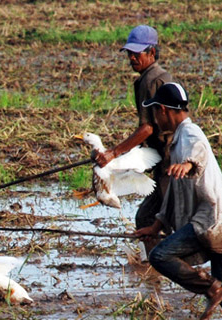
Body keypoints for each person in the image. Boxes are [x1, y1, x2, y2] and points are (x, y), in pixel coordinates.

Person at [134, 82, 222, 320]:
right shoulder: (178, 139)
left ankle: (212, 288)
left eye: (155, 113)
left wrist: (189, 164)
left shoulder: (190, 134)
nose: (155, 118)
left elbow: (199, 151)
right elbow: (173, 192)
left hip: (212, 222)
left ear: (162, 110)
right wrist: (156, 226)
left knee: (159, 255)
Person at [92, 25, 173, 251]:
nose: (132, 58)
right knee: (148, 218)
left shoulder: (152, 80)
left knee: (173, 220)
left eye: (137, 53)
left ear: (152, 53)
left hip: (172, 162)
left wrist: (113, 154)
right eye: (130, 53)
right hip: (162, 161)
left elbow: (147, 129)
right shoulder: (150, 79)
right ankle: (156, 271)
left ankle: (168, 266)